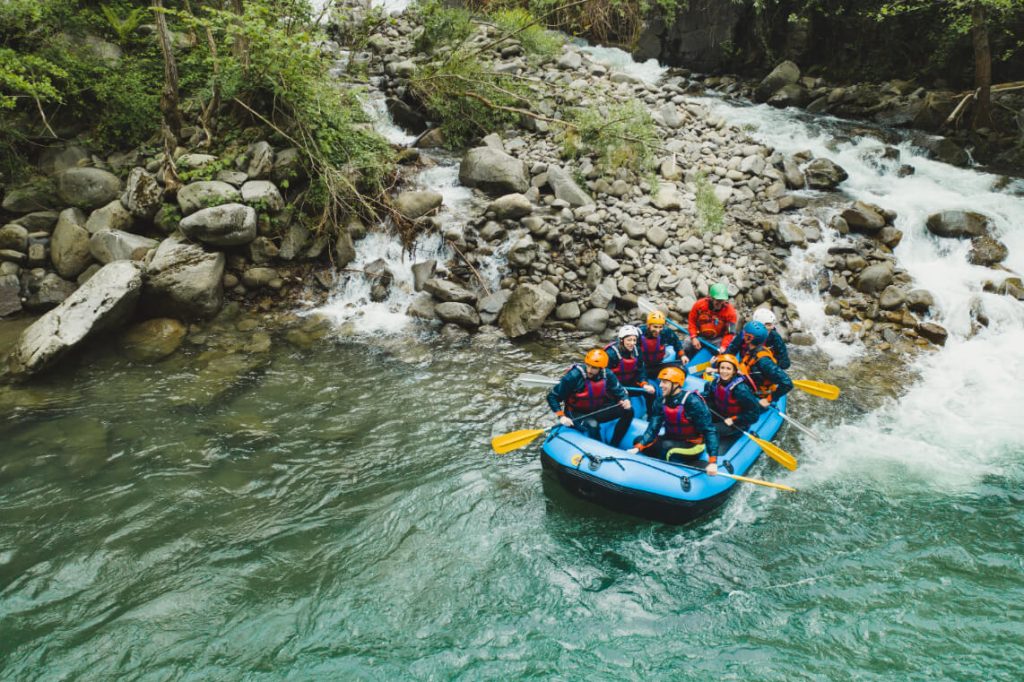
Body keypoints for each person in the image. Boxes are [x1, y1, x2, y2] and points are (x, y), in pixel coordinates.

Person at [630, 366, 720, 476]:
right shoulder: (661, 400)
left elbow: (709, 431)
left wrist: (713, 461)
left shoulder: (692, 401)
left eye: (664, 382)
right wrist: (640, 446)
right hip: (672, 437)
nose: (660, 385)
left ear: (676, 384)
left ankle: (665, 473)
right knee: (638, 440)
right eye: (660, 382)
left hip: (692, 444)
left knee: (667, 448)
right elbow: (653, 427)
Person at [547, 348, 633, 446]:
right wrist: (561, 416)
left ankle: (614, 444)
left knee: (629, 411)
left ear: (601, 368)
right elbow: (552, 396)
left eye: (594, 368)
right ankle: (600, 449)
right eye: (588, 365)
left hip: (596, 409)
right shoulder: (574, 376)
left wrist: (625, 399)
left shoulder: (607, 374)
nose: (589, 370)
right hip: (576, 413)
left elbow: (620, 391)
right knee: (593, 425)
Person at [731, 321, 793, 408]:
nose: (742, 335)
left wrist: (769, 399)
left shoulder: (763, 361)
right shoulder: (752, 350)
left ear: (749, 338)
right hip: (750, 385)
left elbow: (787, 383)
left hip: (759, 396)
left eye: (745, 333)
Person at [702, 354, 764, 436]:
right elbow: (710, 396)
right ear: (718, 369)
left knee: (707, 430)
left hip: (737, 422)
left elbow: (754, 414)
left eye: (728, 369)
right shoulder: (716, 381)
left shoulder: (741, 390)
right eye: (722, 368)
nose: (724, 371)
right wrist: (699, 397)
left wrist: (734, 419)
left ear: (734, 371)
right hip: (722, 412)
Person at [724, 307, 791, 370]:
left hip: (766, 371)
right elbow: (731, 350)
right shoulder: (745, 334)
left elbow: (785, 363)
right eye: (768, 324)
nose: (772, 327)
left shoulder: (775, 337)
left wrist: (769, 366)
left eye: (772, 324)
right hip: (745, 367)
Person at [684, 282, 738, 359]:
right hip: (700, 336)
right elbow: (692, 321)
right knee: (687, 343)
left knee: (728, 348)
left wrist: (723, 346)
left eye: (722, 300)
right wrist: (693, 337)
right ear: (711, 298)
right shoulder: (699, 305)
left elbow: (729, 333)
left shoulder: (730, 313)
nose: (719, 303)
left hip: (717, 339)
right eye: (717, 300)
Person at [638, 310, 683, 379]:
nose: (658, 330)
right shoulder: (639, 332)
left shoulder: (665, 332)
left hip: (658, 363)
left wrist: (682, 355)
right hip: (643, 365)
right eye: (655, 327)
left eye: (660, 327)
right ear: (648, 325)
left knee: (680, 368)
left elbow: (676, 342)